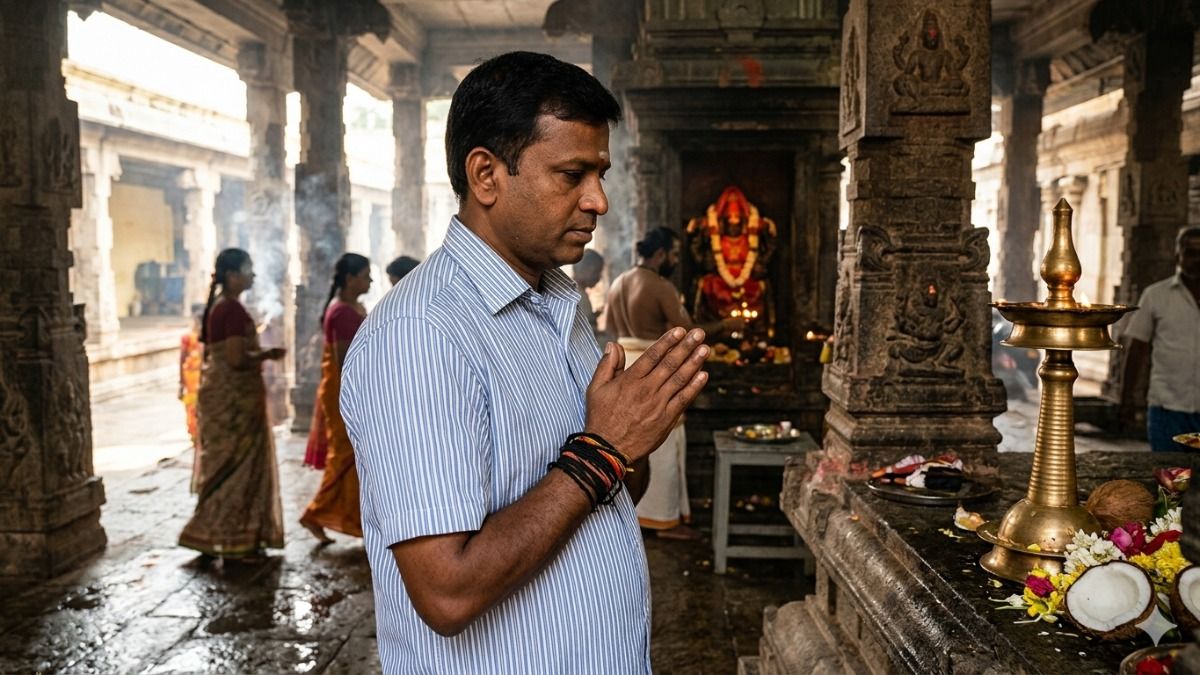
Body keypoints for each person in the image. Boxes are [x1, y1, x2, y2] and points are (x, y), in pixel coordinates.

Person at [340, 51, 710, 672]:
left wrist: (634, 434)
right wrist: (602, 450)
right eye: (572, 174)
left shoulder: (558, 303)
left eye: (601, 174)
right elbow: (447, 591)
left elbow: (616, 486)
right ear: (485, 175)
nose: (599, 201)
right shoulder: (422, 335)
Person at [604, 227, 740, 539]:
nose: (677, 260)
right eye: (676, 254)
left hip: (627, 366)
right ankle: (664, 520)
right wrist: (725, 324)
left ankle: (636, 514)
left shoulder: (618, 283)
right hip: (655, 368)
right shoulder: (660, 285)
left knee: (632, 443)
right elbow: (690, 331)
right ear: (662, 253)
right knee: (664, 441)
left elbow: (610, 329)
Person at [179, 248, 287, 558]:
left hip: (222, 397)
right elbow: (238, 359)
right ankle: (233, 535)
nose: (253, 275)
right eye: (248, 269)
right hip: (236, 401)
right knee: (239, 468)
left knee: (225, 466)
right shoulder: (232, 311)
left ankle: (216, 532)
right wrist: (268, 354)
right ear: (232, 275)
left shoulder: (221, 308)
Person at [300, 253, 373, 543]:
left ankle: (353, 519)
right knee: (344, 455)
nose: (370, 280)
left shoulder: (351, 307)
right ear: (350, 278)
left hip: (347, 387)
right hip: (344, 389)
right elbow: (346, 361)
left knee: (353, 456)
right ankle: (315, 513)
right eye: (365, 275)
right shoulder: (342, 312)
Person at [1121, 226, 1200, 451]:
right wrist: (1127, 400)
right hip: (1167, 408)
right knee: (1172, 480)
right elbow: (1136, 349)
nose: (1196, 260)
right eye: (1190, 253)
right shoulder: (1156, 296)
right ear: (1178, 257)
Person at [179, 303, 205, 493]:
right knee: (191, 413)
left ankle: (198, 437)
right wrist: (180, 384)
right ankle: (194, 436)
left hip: (202, 383)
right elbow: (182, 360)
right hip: (191, 382)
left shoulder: (206, 339)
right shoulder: (187, 339)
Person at [572, 248, 605, 336]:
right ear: (589, 270)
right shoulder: (577, 295)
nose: (599, 277)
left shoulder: (575, 291)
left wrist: (594, 315)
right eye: (598, 272)